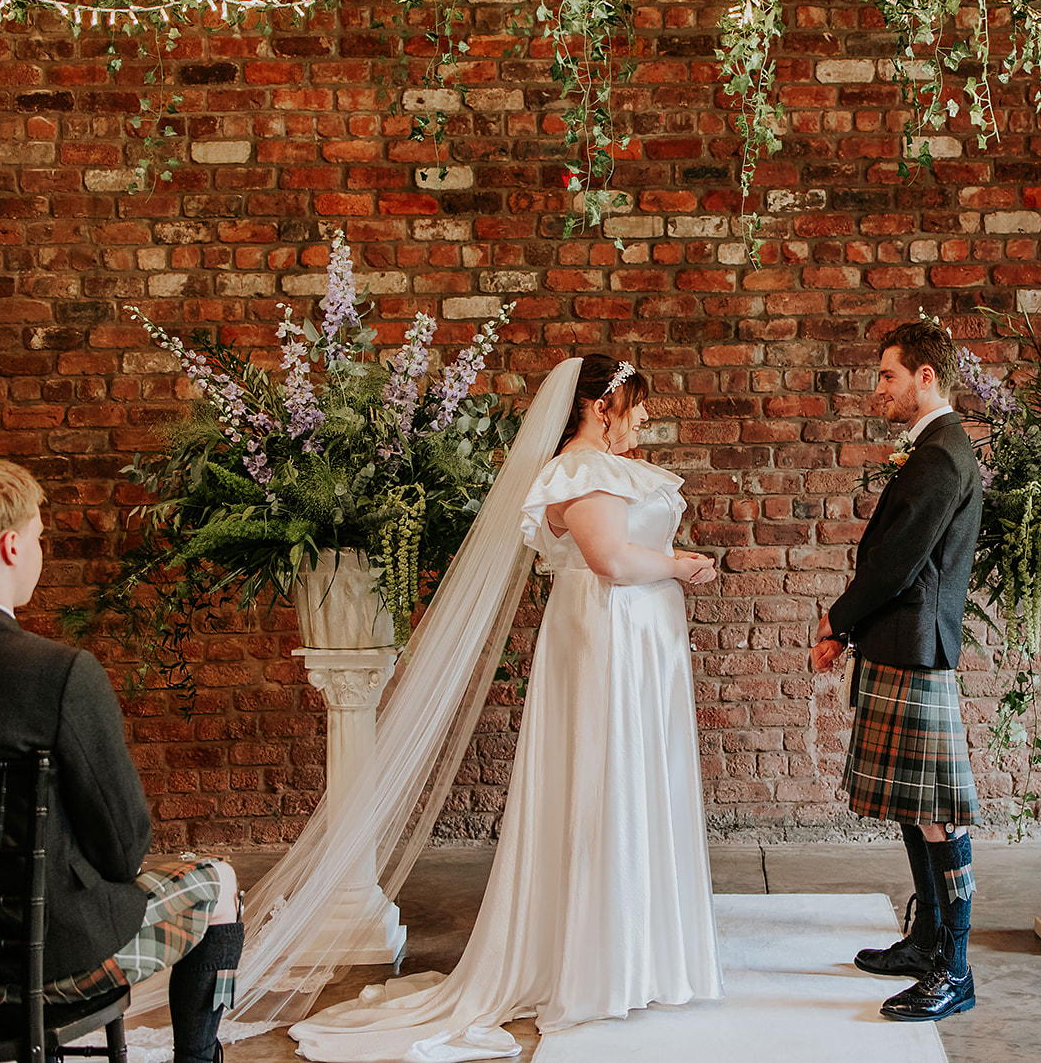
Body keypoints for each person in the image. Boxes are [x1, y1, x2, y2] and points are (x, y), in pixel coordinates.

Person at [289, 354, 722, 1061]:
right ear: (600, 405)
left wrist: (672, 563)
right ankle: (600, 966)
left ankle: (639, 952)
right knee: (605, 782)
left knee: (633, 781)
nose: (645, 416)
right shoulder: (582, 469)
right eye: (636, 403)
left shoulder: (601, 467)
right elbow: (610, 559)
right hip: (610, 633)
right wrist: (677, 564)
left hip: (635, 635)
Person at [0, 454, 243, 1063]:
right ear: (10, 546)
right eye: (40, 537)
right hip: (47, 967)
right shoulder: (59, 674)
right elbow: (123, 851)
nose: (41, 550)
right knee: (218, 881)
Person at [810, 319, 984, 1022]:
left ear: (925, 377)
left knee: (938, 811)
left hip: (915, 648)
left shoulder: (941, 455)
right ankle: (925, 939)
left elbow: (898, 562)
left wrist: (837, 621)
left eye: (887, 374)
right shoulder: (935, 450)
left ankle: (955, 969)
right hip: (902, 643)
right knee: (916, 809)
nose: (877, 387)